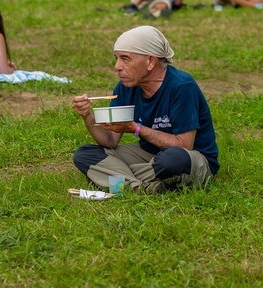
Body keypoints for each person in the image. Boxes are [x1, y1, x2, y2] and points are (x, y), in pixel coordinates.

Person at [71, 26, 218, 194]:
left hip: (190, 159)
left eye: (125, 59)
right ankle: (139, 187)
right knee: (85, 154)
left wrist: (136, 129)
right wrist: (87, 115)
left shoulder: (181, 86)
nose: (117, 66)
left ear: (150, 61)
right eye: (116, 58)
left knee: (171, 160)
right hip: (149, 155)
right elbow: (109, 141)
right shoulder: (125, 87)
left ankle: (117, 180)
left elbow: (184, 145)